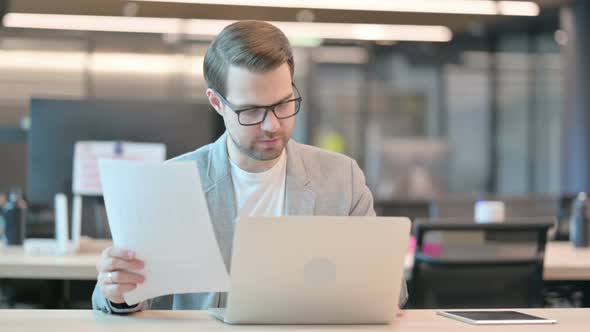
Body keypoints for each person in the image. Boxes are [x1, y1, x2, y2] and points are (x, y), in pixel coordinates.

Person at [92, 20, 408, 314]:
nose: (272, 125)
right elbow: (127, 299)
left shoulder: (341, 179)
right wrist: (117, 292)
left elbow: (392, 290)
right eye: (252, 110)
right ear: (217, 103)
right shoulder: (172, 183)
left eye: (283, 104)